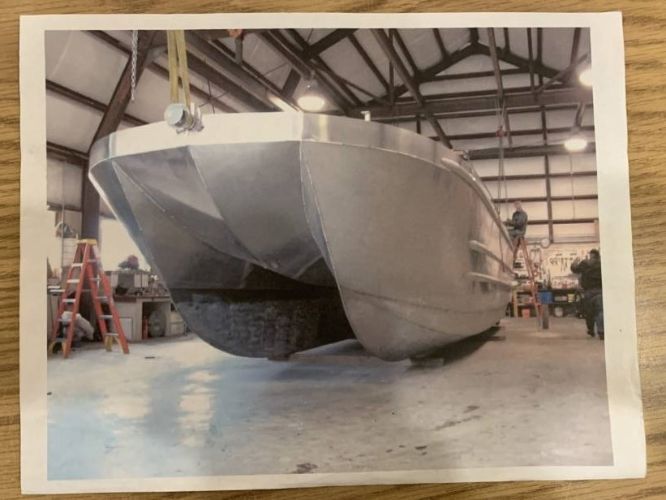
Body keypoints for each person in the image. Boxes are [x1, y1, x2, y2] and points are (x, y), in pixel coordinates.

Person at [570, 249, 604, 340]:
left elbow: (574, 269)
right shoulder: (602, 264)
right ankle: (601, 331)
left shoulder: (585, 263)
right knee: (600, 311)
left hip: (588, 292)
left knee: (589, 313)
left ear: (591, 255)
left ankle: (591, 330)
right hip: (600, 291)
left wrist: (575, 262)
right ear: (598, 256)